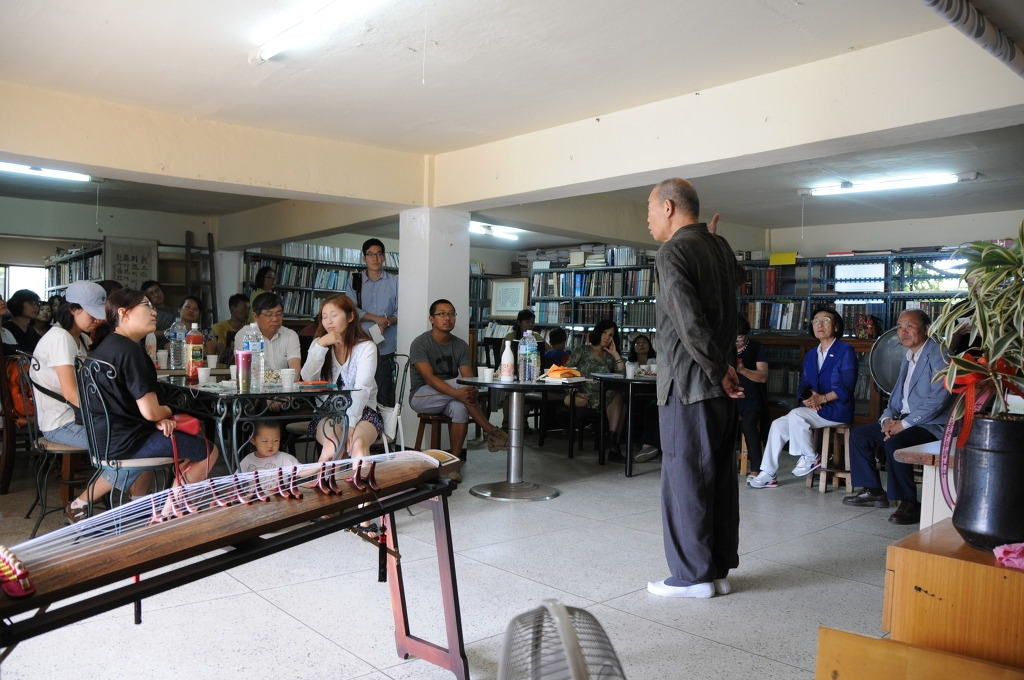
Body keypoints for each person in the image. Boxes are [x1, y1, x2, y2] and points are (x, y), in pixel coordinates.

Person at [644, 178, 742, 599]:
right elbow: (725, 306)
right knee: (718, 478)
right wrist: (725, 368)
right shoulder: (719, 247)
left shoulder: (672, 251)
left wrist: (718, 368)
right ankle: (715, 570)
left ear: (668, 207)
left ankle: (690, 577)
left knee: (685, 477)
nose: (647, 220)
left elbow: (688, 322)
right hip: (722, 386)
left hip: (689, 385)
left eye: (649, 210)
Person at [80, 288, 219, 519]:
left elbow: (129, 405)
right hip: (127, 443)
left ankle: (160, 508)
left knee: (184, 442)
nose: (153, 312)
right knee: (207, 450)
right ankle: (166, 517)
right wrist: (168, 412)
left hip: (103, 438)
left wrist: (156, 418)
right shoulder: (131, 351)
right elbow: (151, 411)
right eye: (146, 306)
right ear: (124, 313)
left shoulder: (106, 346)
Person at [843, 309, 952, 525]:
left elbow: (938, 399)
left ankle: (908, 503)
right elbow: (895, 398)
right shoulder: (908, 356)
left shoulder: (939, 354)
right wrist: (886, 421)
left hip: (931, 424)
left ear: (927, 328)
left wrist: (903, 424)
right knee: (860, 435)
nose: (903, 332)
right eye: (900, 327)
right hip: (903, 419)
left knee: (896, 442)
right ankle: (873, 491)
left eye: (909, 326)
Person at [748, 307, 857, 488]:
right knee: (777, 425)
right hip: (814, 409)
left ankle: (810, 456)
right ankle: (768, 473)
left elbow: (847, 386)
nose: (820, 325)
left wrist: (822, 399)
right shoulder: (810, 355)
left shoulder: (845, 350)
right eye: (816, 321)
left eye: (826, 321)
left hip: (837, 409)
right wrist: (808, 398)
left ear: (836, 327)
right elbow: (803, 384)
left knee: (797, 415)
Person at [409, 299, 509, 461]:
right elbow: (428, 378)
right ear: (431, 319)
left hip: (450, 395)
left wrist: (469, 390)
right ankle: (490, 430)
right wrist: (457, 392)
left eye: (451, 314)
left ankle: (453, 463)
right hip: (421, 397)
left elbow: (468, 377)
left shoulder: (460, 345)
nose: (447, 318)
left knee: (460, 408)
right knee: (459, 384)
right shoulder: (420, 343)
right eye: (442, 314)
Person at [300, 294, 383, 465]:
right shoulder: (319, 343)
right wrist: (321, 345)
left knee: (358, 445)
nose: (328, 321)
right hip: (327, 412)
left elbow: (362, 389)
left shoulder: (366, 347)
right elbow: (307, 379)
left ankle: (362, 490)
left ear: (351, 316)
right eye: (324, 317)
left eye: (334, 315)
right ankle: (327, 489)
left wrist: (351, 425)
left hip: (363, 412)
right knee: (332, 445)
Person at [344, 238, 399, 407]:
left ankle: (385, 433)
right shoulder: (355, 280)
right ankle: (363, 429)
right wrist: (375, 318)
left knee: (384, 392)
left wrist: (387, 322)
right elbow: (349, 309)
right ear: (364, 258)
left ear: (383, 257)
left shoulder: (395, 281)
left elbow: (402, 310)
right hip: (359, 343)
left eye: (378, 254)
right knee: (360, 391)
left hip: (386, 346)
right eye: (370, 254)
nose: (374, 258)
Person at [564, 319, 627, 463]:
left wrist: (616, 354)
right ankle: (613, 446)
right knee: (620, 402)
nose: (607, 337)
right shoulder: (582, 350)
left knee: (622, 402)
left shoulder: (610, 356)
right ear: (598, 332)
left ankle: (612, 444)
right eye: (604, 333)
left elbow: (623, 375)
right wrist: (572, 384)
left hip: (605, 393)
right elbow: (566, 370)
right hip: (585, 392)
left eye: (611, 335)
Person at [734, 318, 769, 477]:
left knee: (748, 426)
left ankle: (756, 468)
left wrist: (742, 370)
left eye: (739, 336)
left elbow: (763, 377)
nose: (736, 340)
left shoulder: (756, 348)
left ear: (746, 335)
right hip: (730, 397)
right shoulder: (724, 347)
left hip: (752, 398)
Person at [234, 292, 302, 372]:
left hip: (282, 383)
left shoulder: (290, 335)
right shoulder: (245, 335)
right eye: (269, 315)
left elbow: (295, 369)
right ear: (255, 316)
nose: (275, 319)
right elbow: (243, 370)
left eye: (279, 314)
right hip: (256, 383)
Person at [4, 289, 44, 353]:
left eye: (37, 304)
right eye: (31, 303)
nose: (36, 307)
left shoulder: (31, 330)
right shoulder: (6, 329)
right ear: (18, 303)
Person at [213, 293, 250, 360]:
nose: (247, 312)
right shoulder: (219, 327)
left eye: (248, 309)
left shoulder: (249, 328)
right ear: (232, 309)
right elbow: (222, 353)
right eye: (244, 309)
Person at [141, 280, 178, 348]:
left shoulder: (174, 311)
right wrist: (167, 332)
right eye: (151, 294)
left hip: (170, 349)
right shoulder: (145, 313)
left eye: (157, 291)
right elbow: (144, 335)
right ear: (147, 297)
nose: (156, 295)